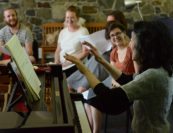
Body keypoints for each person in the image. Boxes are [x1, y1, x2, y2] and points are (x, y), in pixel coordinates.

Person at [64, 20, 173, 133]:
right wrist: (100, 59)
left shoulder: (153, 76)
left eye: (133, 40)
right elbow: (126, 80)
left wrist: (85, 70)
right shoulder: (157, 70)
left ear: (145, 46)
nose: (130, 44)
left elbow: (111, 99)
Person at [67, 10, 128, 92]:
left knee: (100, 60)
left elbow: (122, 48)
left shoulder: (122, 34)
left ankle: (84, 86)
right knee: (92, 61)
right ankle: (74, 85)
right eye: (108, 22)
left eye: (112, 22)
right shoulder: (107, 32)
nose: (109, 25)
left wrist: (114, 45)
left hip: (108, 58)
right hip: (102, 54)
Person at [54, 5, 89, 77]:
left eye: (72, 17)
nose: (69, 20)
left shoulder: (83, 31)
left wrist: (69, 62)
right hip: (61, 65)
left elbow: (85, 52)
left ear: (78, 18)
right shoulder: (63, 32)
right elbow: (57, 50)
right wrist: (56, 62)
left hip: (75, 65)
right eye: (67, 17)